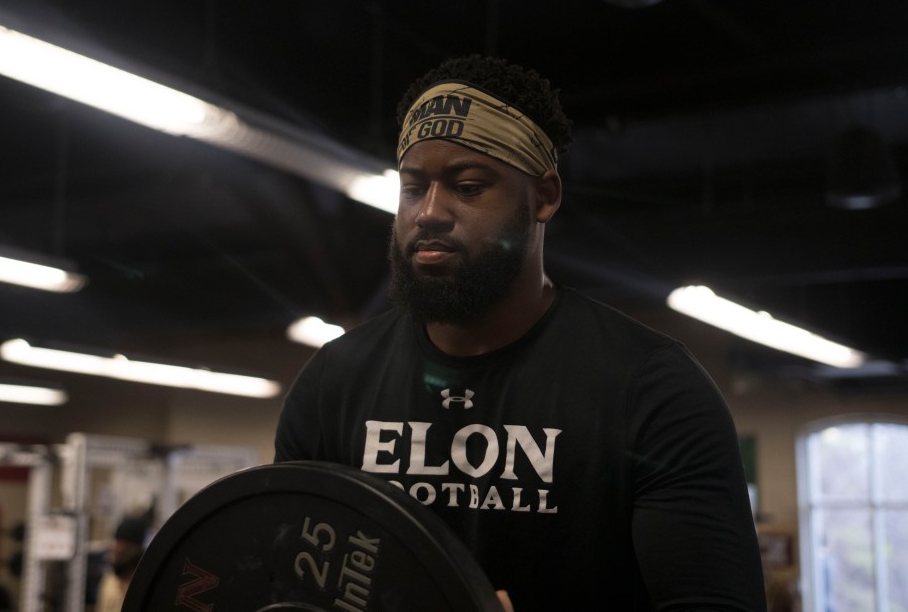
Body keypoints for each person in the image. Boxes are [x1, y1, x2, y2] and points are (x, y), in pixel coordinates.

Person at [274, 54, 767, 611]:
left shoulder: (652, 390)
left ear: (544, 197)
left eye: (467, 186)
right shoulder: (333, 383)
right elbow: (285, 583)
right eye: (412, 188)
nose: (428, 212)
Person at [93, 515, 147, 612]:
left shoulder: (143, 588)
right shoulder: (108, 583)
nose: (115, 549)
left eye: (122, 545)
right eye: (116, 543)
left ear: (136, 549)